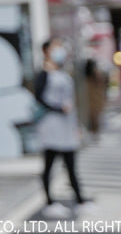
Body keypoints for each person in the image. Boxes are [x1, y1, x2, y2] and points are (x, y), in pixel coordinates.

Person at [34, 37, 95, 219]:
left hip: (66, 127)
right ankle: (49, 202)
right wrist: (58, 108)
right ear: (46, 51)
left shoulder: (62, 72)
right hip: (51, 126)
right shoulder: (43, 74)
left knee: (71, 165)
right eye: (55, 47)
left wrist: (75, 125)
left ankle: (80, 200)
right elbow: (39, 98)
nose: (59, 50)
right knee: (49, 166)